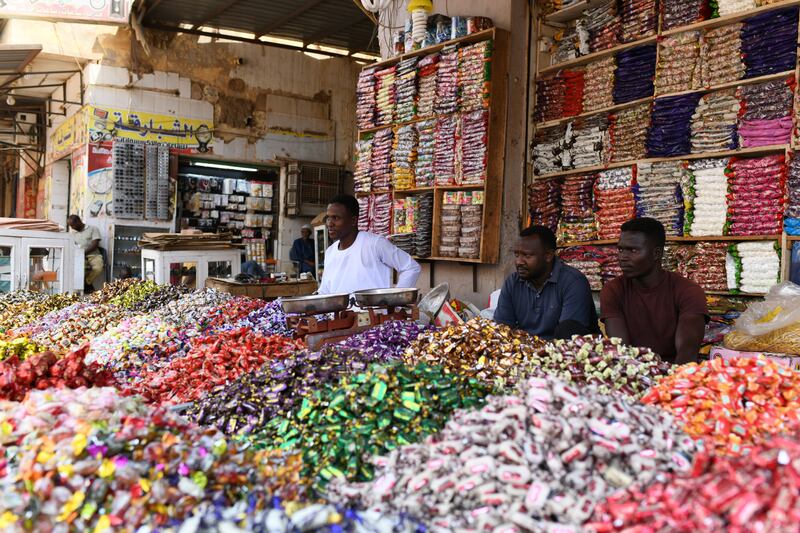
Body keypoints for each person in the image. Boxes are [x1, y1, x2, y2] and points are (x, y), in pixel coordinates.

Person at [601, 217, 707, 364]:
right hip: (632, 372)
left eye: (633, 250)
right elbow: (621, 352)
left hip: (674, 373)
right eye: (620, 249)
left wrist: (669, 382)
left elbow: (686, 354)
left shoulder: (688, 291)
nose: (622, 257)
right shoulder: (613, 290)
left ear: (656, 253)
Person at [493, 225, 598, 339]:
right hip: (527, 350)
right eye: (517, 255)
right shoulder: (513, 282)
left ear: (548, 255)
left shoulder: (573, 282)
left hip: (566, 352)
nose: (518, 262)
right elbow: (503, 329)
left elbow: (570, 335)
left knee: (567, 328)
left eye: (527, 255)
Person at [318, 194, 421, 294]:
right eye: (328, 218)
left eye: (336, 218)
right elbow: (325, 290)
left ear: (353, 220)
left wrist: (396, 299)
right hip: (339, 311)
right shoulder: (330, 252)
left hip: (373, 311)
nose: (329, 223)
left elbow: (411, 267)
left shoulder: (374, 244)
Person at [67, 214, 104, 293]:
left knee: (98, 268)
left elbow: (95, 244)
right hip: (79, 256)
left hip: (93, 254)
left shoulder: (93, 229)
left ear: (78, 221)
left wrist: (83, 252)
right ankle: (82, 288)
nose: (72, 227)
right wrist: (79, 254)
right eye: (70, 226)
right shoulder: (73, 234)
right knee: (79, 269)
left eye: (72, 225)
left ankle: (86, 283)